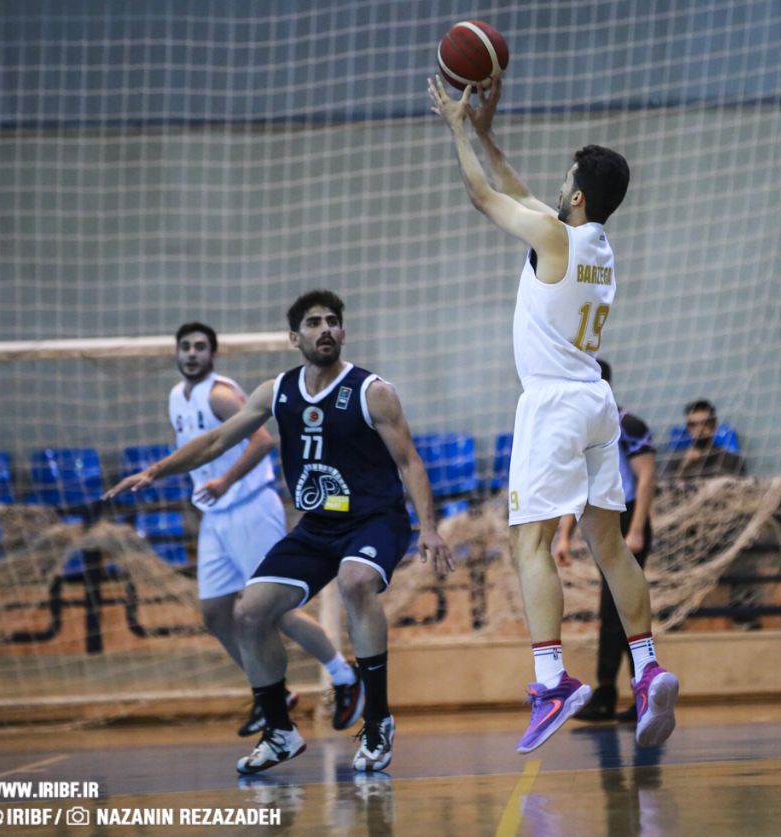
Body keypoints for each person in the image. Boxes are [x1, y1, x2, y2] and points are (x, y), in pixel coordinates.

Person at [428, 75, 679, 752]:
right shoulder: (594, 244)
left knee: (529, 544)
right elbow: (522, 194)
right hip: (598, 403)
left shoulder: (555, 237)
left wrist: (457, 127)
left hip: (553, 403)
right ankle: (648, 666)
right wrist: (487, 134)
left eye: (565, 180)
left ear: (577, 195)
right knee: (609, 545)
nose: (557, 187)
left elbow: (487, 196)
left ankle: (552, 681)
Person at [107, 292, 455, 773]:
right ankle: (279, 732)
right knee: (250, 612)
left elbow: (409, 461)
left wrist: (430, 528)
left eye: (332, 321)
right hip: (317, 525)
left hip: (375, 518)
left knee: (355, 581)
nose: (325, 329)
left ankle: (377, 719)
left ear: (343, 332)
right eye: (313, 323)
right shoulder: (277, 390)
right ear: (294, 337)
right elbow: (216, 440)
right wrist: (155, 471)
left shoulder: (373, 391)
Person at [166, 322, 364, 739]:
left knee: (274, 609)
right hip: (216, 516)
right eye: (185, 347)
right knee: (215, 613)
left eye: (200, 347)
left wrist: (226, 482)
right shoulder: (176, 397)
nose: (191, 353)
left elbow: (262, 442)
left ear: (213, 354)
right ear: (177, 352)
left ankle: (344, 676)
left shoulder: (220, 395)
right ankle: (272, 693)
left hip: (250, 507)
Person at [554, 358, 656, 722]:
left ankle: (621, 693)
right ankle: (621, 692)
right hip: (601, 519)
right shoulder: (585, 431)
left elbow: (646, 478)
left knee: (620, 610)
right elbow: (579, 484)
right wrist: (565, 535)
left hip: (627, 518)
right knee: (614, 611)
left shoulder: (627, 424)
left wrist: (637, 529)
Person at [660, 400, 747, 481]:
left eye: (704, 423)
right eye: (692, 424)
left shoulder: (731, 459)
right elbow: (666, 488)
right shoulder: (676, 459)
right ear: (687, 427)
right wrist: (684, 468)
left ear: (714, 424)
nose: (699, 429)